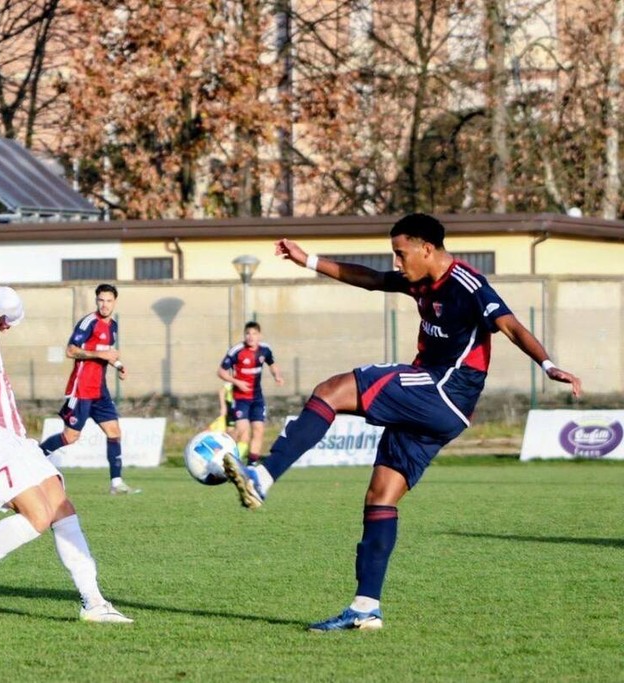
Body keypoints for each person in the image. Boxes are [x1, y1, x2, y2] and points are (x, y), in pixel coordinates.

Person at [222, 214, 582, 631]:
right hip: (440, 408)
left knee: (331, 390)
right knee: (381, 497)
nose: (396, 261)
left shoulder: (468, 284)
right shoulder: (419, 279)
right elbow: (372, 279)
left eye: (400, 252)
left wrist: (549, 365)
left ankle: (264, 475)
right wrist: (309, 260)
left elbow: (510, 326)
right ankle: (365, 608)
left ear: (427, 248)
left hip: (441, 389)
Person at [0, 258, 132, 624]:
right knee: (38, 516)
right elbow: (9, 299)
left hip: (7, 436)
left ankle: (94, 603)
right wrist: (12, 318)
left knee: (61, 506)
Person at [39, 283, 139, 495]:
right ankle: (33, 458)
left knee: (114, 432)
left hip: (99, 390)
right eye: (101, 300)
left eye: (109, 301)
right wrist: (101, 355)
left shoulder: (113, 327)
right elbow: (71, 350)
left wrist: (118, 365)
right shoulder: (88, 323)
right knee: (70, 437)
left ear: (115, 302)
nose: (105, 305)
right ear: (96, 301)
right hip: (81, 389)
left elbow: (107, 353)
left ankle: (116, 484)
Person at [217, 321, 283, 464]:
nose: (250, 336)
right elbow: (221, 372)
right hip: (240, 398)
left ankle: (252, 464)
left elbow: (272, 364)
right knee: (242, 430)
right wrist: (237, 382)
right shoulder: (236, 351)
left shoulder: (265, 350)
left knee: (258, 429)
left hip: (257, 398)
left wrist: (277, 376)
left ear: (259, 335)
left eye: (254, 333)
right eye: (248, 333)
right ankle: (224, 454)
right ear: (244, 335)